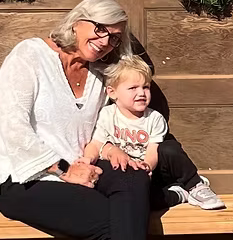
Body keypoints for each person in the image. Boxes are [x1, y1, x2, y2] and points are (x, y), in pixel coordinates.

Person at [0, 0, 178, 240]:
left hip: (85, 170)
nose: (105, 40)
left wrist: (110, 149)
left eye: (114, 36)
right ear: (77, 22)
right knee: (113, 219)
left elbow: (100, 128)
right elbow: (13, 128)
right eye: (99, 29)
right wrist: (62, 169)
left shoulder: (100, 75)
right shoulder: (29, 56)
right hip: (26, 180)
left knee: (133, 174)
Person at [83, 55, 225, 211]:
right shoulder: (107, 115)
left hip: (152, 170)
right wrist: (86, 160)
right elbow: (96, 144)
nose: (141, 93)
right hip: (130, 175)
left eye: (145, 87)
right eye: (133, 88)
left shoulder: (154, 118)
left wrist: (147, 167)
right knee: (138, 203)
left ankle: (195, 184)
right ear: (112, 92)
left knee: (170, 149)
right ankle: (180, 194)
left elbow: (153, 150)